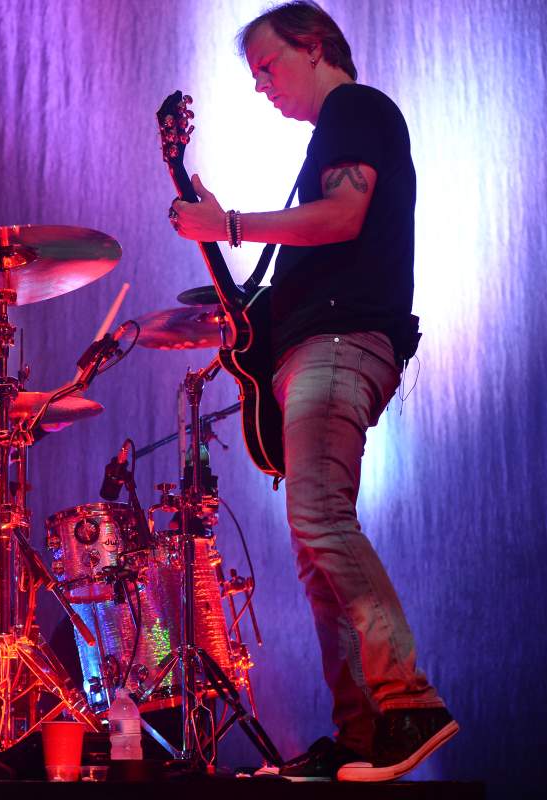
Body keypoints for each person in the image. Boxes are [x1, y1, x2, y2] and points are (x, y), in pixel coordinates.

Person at [168, 1, 457, 783]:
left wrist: (227, 222)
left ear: (317, 44)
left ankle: (409, 701)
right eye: (255, 74)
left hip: (340, 345)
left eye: (268, 65)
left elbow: (341, 215)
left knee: (321, 521)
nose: (262, 85)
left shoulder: (357, 110)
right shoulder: (330, 136)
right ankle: (360, 733)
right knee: (312, 548)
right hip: (312, 347)